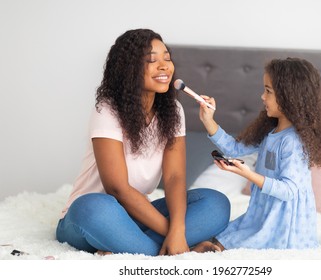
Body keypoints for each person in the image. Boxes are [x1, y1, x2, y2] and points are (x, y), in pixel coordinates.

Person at [55, 29, 230, 256]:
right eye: (151, 60)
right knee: (92, 207)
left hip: (139, 217)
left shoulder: (173, 111)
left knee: (216, 203)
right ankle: (178, 251)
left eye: (167, 58)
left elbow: (175, 177)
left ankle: (130, 247)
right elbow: (117, 188)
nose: (164, 66)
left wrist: (177, 229)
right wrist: (174, 234)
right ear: (129, 69)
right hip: (94, 217)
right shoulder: (107, 110)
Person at [195, 57, 321, 251]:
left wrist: (247, 174)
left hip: (284, 225)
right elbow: (234, 149)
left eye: (268, 91)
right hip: (262, 214)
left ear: (289, 96)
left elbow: (288, 191)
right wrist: (209, 120)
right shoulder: (271, 132)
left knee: (235, 243)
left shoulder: (293, 142)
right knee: (223, 236)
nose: (262, 97)